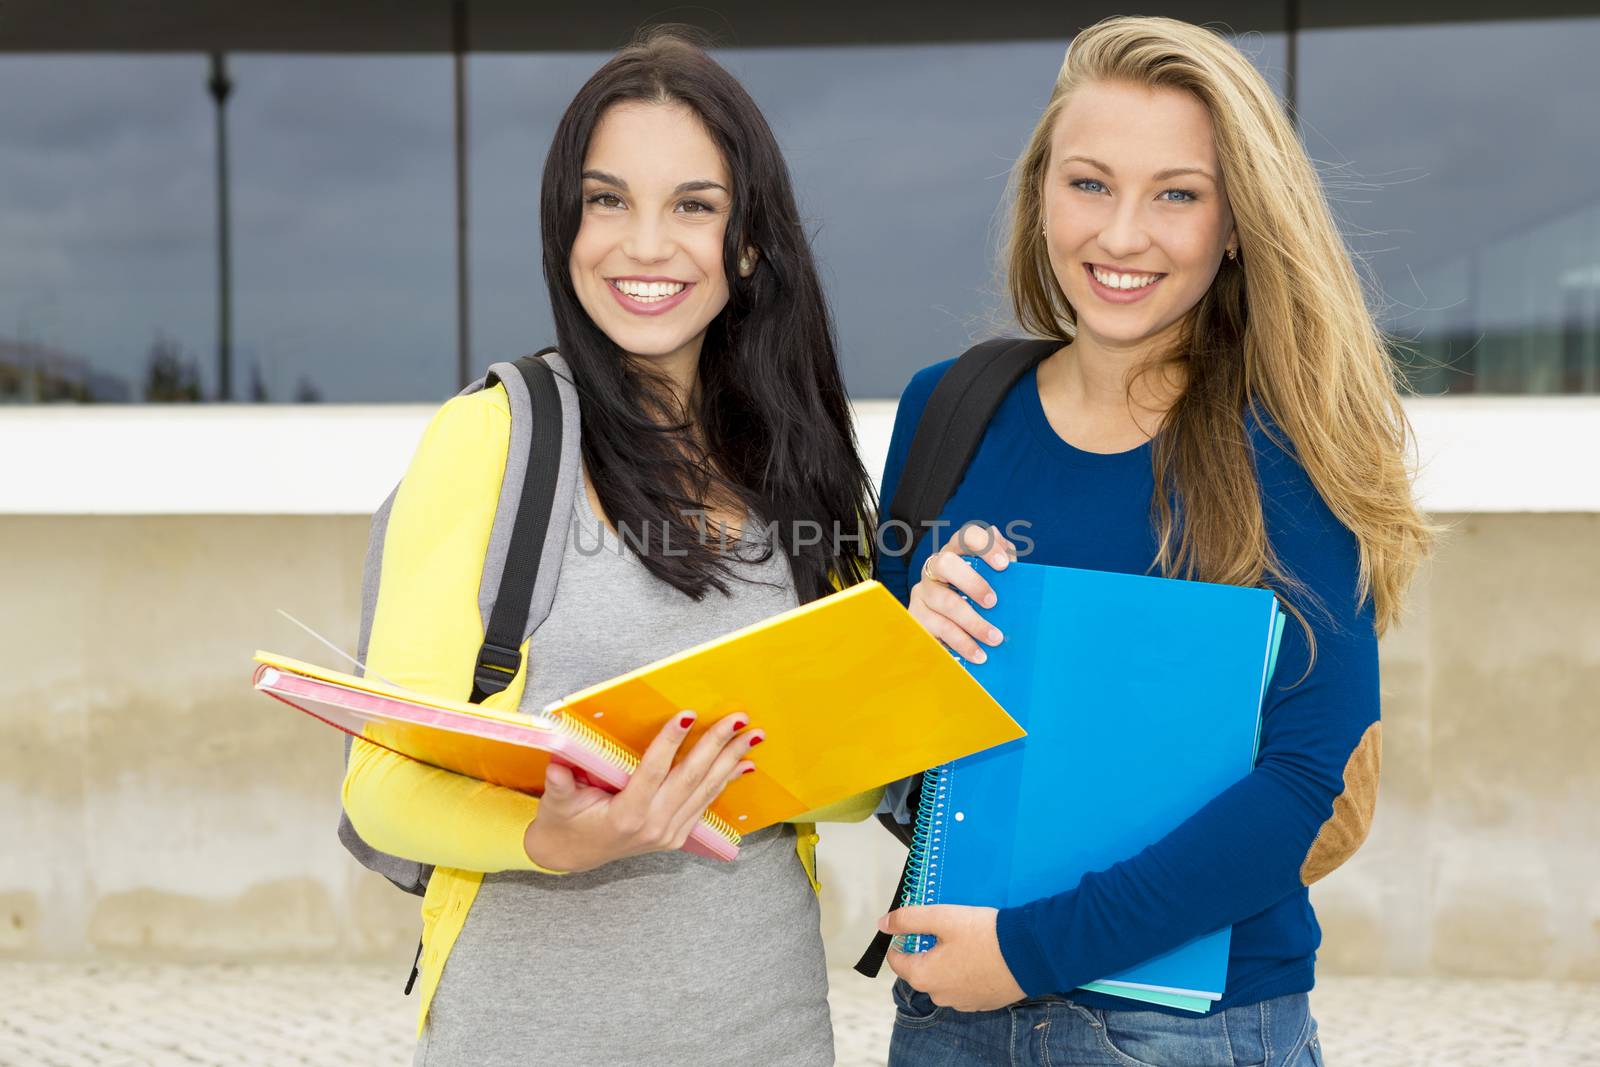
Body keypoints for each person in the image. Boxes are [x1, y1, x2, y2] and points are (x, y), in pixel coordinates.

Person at [872, 15, 1434, 1067]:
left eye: (1175, 193)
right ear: (1040, 193)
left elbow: (1301, 784)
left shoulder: (1293, 440)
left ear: (1234, 227)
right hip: (947, 1015)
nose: (1120, 234)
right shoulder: (946, 407)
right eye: (1087, 183)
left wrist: (1032, 949)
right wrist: (907, 649)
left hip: (1190, 1029)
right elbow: (884, 768)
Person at [340, 29, 878, 1066]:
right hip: (525, 1035)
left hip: (766, 1027)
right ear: (564, 223)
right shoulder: (493, 437)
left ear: (750, 239)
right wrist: (550, 836)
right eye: (607, 199)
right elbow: (380, 785)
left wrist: (901, 672)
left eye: (693, 204)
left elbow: (844, 790)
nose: (644, 244)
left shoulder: (796, 449)